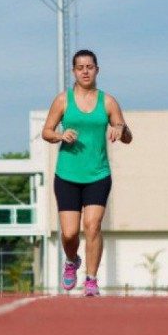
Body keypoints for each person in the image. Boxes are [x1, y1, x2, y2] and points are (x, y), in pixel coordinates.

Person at [42, 49, 132, 297]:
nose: (85, 71)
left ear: (97, 70)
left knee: (92, 226)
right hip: (67, 175)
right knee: (70, 233)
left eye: (89, 67)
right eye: (80, 67)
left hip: (98, 174)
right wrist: (60, 135)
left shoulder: (108, 102)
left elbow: (127, 136)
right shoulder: (63, 100)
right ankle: (72, 260)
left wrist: (121, 129)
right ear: (73, 71)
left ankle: (91, 279)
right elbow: (46, 131)